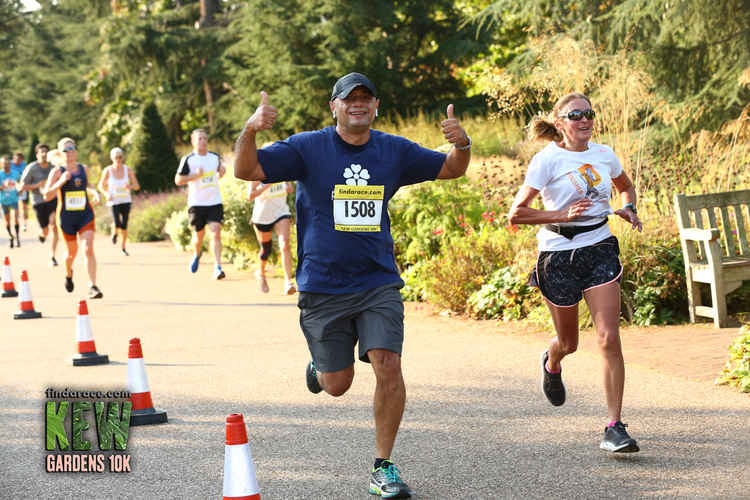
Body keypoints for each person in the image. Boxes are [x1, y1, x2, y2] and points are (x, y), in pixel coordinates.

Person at [233, 72, 472, 498]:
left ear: (375, 106)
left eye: (366, 98)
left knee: (388, 364)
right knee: (337, 384)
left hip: (377, 280)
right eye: (349, 99)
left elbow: (451, 169)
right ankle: (320, 366)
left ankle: (384, 466)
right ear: (334, 106)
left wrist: (462, 143)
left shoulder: (393, 150)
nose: (358, 104)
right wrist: (251, 129)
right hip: (323, 284)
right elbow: (245, 168)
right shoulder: (308, 147)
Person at [508, 92, 643, 453]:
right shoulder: (546, 160)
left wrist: (627, 207)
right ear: (561, 122)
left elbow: (625, 186)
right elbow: (516, 214)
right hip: (557, 255)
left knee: (608, 337)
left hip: (599, 247)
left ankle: (614, 426)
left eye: (588, 114)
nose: (584, 120)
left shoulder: (604, 154)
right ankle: (552, 362)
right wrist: (560, 215)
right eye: (575, 115)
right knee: (569, 342)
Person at [43, 137, 103, 299]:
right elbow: (46, 195)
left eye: (72, 149)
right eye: (65, 150)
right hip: (66, 218)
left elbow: (88, 185)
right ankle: (68, 274)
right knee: (71, 254)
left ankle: (93, 286)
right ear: (61, 154)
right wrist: (61, 182)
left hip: (85, 214)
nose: (69, 152)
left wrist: (95, 192)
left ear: (76, 151)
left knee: (88, 248)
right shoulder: (57, 172)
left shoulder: (83, 168)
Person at [174, 128, 227, 280]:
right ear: (193, 142)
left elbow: (219, 173)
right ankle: (197, 253)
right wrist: (195, 175)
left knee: (215, 232)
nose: (203, 141)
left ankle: (217, 266)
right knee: (198, 238)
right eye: (200, 139)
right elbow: (178, 180)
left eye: (205, 138)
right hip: (197, 203)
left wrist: (222, 172)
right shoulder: (189, 159)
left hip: (214, 201)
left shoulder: (214, 157)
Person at [248, 179, 296, 294]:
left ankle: (288, 282)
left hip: (281, 212)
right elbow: (250, 195)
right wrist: (266, 186)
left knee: (285, 244)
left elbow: (290, 189)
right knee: (266, 250)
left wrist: (287, 185)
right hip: (262, 216)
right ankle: (261, 273)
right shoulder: (257, 173)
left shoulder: (283, 169)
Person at [18, 144, 60, 266]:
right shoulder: (32, 168)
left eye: (46, 152)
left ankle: (52, 256)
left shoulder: (54, 167)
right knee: (46, 231)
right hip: (38, 202)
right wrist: (38, 185)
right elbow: (22, 186)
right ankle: (42, 234)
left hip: (52, 200)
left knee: (54, 225)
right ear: (37, 155)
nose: (44, 154)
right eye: (41, 152)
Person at [98, 147, 140, 256]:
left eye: (120, 157)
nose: (118, 159)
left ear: (123, 157)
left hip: (126, 200)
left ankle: (123, 247)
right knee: (117, 222)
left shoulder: (128, 170)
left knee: (124, 225)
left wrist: (130, 186)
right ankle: (115, 232)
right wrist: (106, 194)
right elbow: (100, 186)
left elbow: (137, 186)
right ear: (112, 158)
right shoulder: (108, 170)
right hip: (113, 201)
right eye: (116, 157)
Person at [0, 156, 22, 248]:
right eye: (4, 163)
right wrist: (3, 186)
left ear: (10, 164)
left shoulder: (15, 173)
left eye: (8, 163)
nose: (6, 165)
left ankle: (17, 237)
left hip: (14, 199)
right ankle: (11, 236)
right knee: (8, 221)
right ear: (1, 164)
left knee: (16, 219)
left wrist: (20, 189)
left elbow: (21, 181)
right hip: (4, 200)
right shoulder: (0, 174)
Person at [10, 152, 29, 231]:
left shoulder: (24, 165)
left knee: (23, 206)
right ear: (13, 159)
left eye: (19, 159)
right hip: (12, 187)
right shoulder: (10, 164)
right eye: (16, 159)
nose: (17, 161)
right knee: (15, 207)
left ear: (22, 160)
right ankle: (15, 222)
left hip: (22, 186)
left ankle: (24, 223)